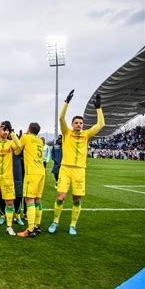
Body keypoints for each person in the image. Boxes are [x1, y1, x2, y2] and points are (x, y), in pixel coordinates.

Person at [48, 90, 104, 235]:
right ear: (72, 124)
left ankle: (73, 225)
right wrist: (66, 102)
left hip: (79, 170)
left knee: (76, 198)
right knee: (60, 197)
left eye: (80, 123)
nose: (78, 124)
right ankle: (55, 222)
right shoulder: (67, 133)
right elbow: (61, 118)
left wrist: (98, 108)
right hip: (65, 169)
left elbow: (101, 124)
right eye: (76, 123)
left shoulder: (87, 134)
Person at [17, 123, 45, 238]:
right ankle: (37, 226)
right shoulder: (40, 141)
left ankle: (30, 229)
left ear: (29, 129)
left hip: (32, 173)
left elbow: (17, 151)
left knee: (29, 200)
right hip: (41, 172)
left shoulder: (25, 137)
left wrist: (21, 136)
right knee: (37, 200)